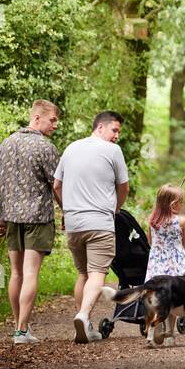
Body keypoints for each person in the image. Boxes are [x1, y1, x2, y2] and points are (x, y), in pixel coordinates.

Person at [0, 99, 61, 345]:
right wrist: (67, 210)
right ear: (37, 118)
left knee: (16, 272)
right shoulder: (46, 148)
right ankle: (21, 331)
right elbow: (56, 184)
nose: (56, 124)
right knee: (30, 272)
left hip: (10, 217)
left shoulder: (6, 143)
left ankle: (20, 328)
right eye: (52, 119)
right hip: (38, 218)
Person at [53, 110, 128, 344]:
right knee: (98, 274)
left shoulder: (71, 148)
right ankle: (83, 315)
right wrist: (114, 210)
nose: (117, 136)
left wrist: (67, 210)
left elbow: (56, 186)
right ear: (100, 127)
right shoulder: (112, 151)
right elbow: (123, 187)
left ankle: (84, 324)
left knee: (83, 274)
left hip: (74, 223)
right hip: (100, 223)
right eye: (114, 130)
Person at [144, 183, 185, 335]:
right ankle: (170, 331)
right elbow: (183, 242)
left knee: (155, 294)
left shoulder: (152, 220)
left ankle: (155, 322)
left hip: (157, 262)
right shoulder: (181, 221)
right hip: (175, 263)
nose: (182, 205)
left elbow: (150, 241)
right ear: (172, 204)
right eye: (180, 202)